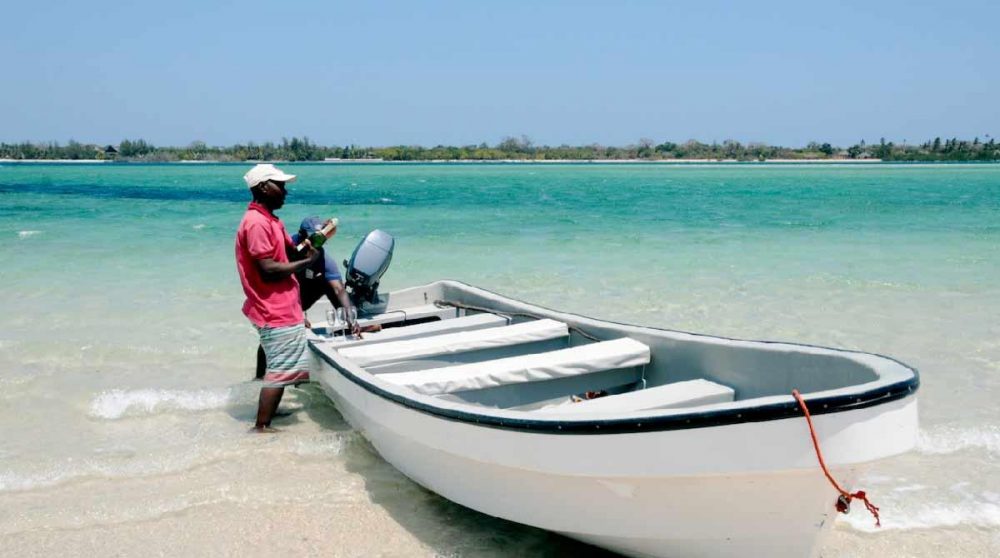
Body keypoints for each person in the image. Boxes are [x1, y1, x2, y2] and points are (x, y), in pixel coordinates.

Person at [235, 163, 320, 432]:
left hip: (281, 305)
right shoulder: (257, 223)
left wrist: (312, 246)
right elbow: (269, 270)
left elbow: (289, 254)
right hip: (273, 307)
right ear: (262, 187)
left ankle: (269, 413)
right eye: (280, 186)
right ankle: (261, 428)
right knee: (280, 370)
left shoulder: (271, 220)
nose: (285, 192)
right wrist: (305, 265)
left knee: (280, 367)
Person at [253, 216, 362, 380]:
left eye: (319, 239)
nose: (315, 243)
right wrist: (294, 313)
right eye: (311, 238)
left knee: (331, 285)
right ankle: (260, 376)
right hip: (278, 296)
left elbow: (339, 289)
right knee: (271, 332)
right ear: (301, 235)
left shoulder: (321, 257)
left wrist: (351, 315)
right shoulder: (284, 247)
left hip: (303, 294)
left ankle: (349, 326)